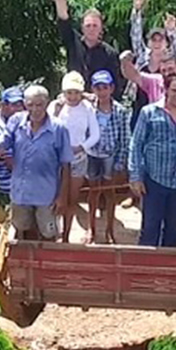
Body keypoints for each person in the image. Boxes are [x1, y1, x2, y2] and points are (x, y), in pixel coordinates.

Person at [0, 85, 70, 241]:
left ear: (46, 104)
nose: (35, 109)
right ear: (25, 105)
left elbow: (66, 165)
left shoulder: (58, 128)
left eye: (39, 105)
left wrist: (62, 196)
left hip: (46, 194)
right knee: (22, 229)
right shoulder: (16, 122)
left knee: (48, 232)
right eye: (30, 105)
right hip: (21, 192)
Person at [128, 72, 176, 248]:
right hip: (154, 180)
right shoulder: (149, 112)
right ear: (165, 90)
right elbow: (136, 144)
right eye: (174, 90)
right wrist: (135, 176)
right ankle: (144, 271)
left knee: (174, 229)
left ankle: (170, 271)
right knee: (150, 229)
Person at [82, 71, 132, 243]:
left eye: (105, 87)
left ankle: (110, 229)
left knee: (110, 192)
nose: (102, 92)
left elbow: (125, 138)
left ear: (111, 88)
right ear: (93, 89)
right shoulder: (87, 108)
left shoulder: (120, 110)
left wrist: (121, 162)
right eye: (98, 88)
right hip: (92, 155)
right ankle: (91, 228)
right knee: (93, 192)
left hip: (111, 156)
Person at [50, 71, 100, 239]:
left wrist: (81, 147)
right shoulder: (56, 106)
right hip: (56, 160)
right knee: (54, 196)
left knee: (72, 199)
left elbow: (95, 134)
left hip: (78, 159)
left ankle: (66, 235)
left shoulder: (87, 108)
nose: (72, 96)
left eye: (76, 92)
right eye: (69, 92)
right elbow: (47, 129)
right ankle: (51, 232)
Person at [52, 0, 120, 89]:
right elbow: (63, 17)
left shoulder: (110, 53)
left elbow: (115, 85)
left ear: (101, 28)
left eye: (95, 26)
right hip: (73, 97)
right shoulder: (73, 42)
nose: (91, 29)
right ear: (82, 27)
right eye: (88, 26)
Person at [129, 0, 176, 74]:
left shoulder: (171, 57)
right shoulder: (142, 55)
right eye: (153, 40)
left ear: (166, 43)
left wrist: (172, 29)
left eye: (160, 40)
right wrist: (137, 10)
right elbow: (136, 34)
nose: (157, 43)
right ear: (148, 43)